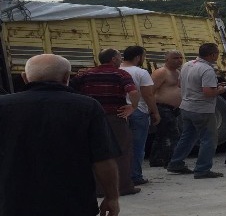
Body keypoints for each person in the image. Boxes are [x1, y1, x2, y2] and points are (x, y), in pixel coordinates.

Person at [0, 54, 121, 216]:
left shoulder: (4, 106)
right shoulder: (87, 107)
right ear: (66, 77)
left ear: (24, 78)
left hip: (12, 202)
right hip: (73, 203)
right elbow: (103, 159)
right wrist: (112, 197)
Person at [71, 48, 142, 196]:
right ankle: (123, 187)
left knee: (94, 152)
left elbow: (71, 89)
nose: (121, 60)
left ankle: (98, 188)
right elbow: (133, 92)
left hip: (90, 118)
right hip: (114, 116)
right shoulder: (120, 73)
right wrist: (132, 107)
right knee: (122, 151)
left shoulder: (86, 74)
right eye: (119, 58)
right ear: (114, 59)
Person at [167, 43, 226, 179]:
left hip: (186, 106)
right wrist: (220, 90)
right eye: (217, 54)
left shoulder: (187, 65)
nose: (218, 56)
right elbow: (207, 92)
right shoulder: (207, 70)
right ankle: (202, 169)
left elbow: (179, 84)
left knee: (187, 137)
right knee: (209, 139)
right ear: (211, 55)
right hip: (202, 109)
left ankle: (176, 163)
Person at [120, 45, 160, 186]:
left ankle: (121, 176)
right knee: (137, 146)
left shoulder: (116, 70)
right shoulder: (141, 72)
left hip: (119, 111)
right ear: (138, 57)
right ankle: (135, 176)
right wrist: (155, 111)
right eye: (143, 56)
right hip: (138, 111)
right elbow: (148, 94)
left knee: (121, 145)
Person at [149, 50, 184, 167]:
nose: (179, 60)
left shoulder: (178, 72)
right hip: (163, 108)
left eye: (180, 57)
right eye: (175, 58)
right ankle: (172, 161)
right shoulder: (161, 72)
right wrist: (153, 110)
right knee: (174, 135)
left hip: (174, 109)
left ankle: (156, 159)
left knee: (162, 135)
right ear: (167, 59)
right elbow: (150, 92)